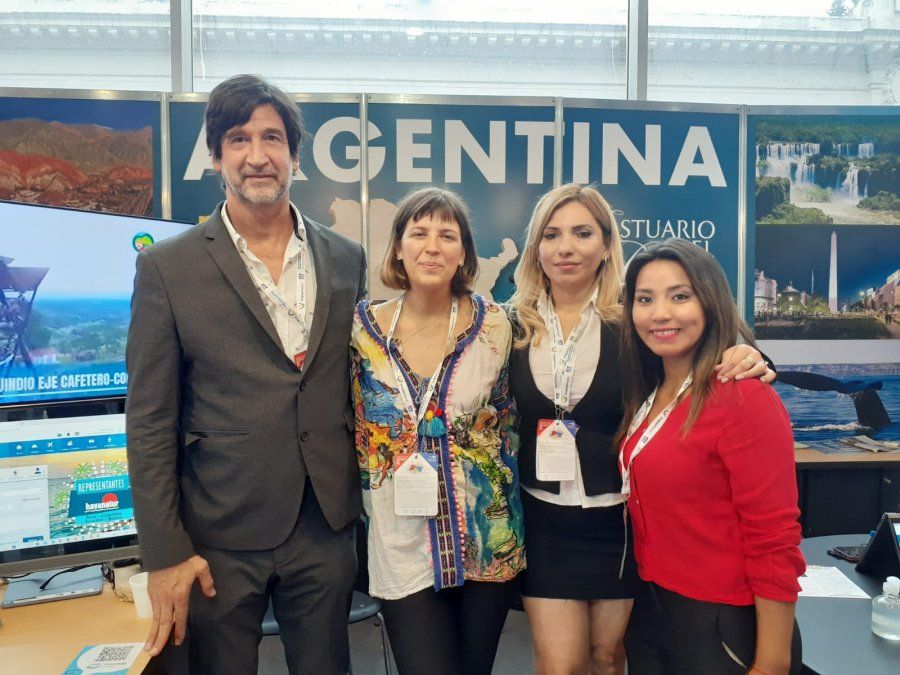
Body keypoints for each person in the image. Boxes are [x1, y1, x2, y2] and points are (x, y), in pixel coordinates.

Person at [126, 74, 366, 675]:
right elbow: (150, 419)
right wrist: (164, 553)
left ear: (293, 155)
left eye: (272, 138)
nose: (257, 155)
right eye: (238, 139)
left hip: (323, 524)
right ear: (215, 157)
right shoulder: (167, 268)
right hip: (219, 534)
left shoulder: (344, 256)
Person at [507, 184, 773, 675]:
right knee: (560, 664)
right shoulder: (511, 326)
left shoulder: (635, 320)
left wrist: (752, 355)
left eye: (582, 233)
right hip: (546, 523)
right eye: (552, 235)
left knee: (608, 660)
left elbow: (703, 353)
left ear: (607, 245)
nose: (566, 247)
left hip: (621, 524)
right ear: (536, 249)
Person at [350, 187, 524, 675]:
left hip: (486, 538)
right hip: (400, 539)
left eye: (448, 235)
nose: (433, 246)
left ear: (464, 252)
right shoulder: (361, 331)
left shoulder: (498, 326)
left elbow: (511, 415)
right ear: (398, 248)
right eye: (419, 233)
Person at [618, 239, 804, 675]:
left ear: (711, 301)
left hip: (722, 622)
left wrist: (772, 663)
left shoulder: (742, 395)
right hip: (653, 610)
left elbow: (774, 537)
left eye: (680, 296)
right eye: (645, 299)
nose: (660, 313)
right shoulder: (650, 391)